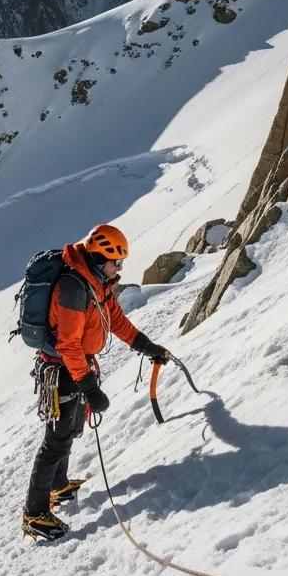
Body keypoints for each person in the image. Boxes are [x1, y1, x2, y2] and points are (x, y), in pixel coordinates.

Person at [22, 223, 169, 540]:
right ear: (100, 256)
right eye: (116, 261)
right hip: (62, 371)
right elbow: (68, 344)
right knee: (56, 440)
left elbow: (115, 320)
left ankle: (58, 486)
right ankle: (35, 514)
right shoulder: (75, 288)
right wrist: (89, 386)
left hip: (75, 367)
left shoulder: (99, 283)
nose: (119, 268)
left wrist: (146, 345)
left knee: (72, 428)